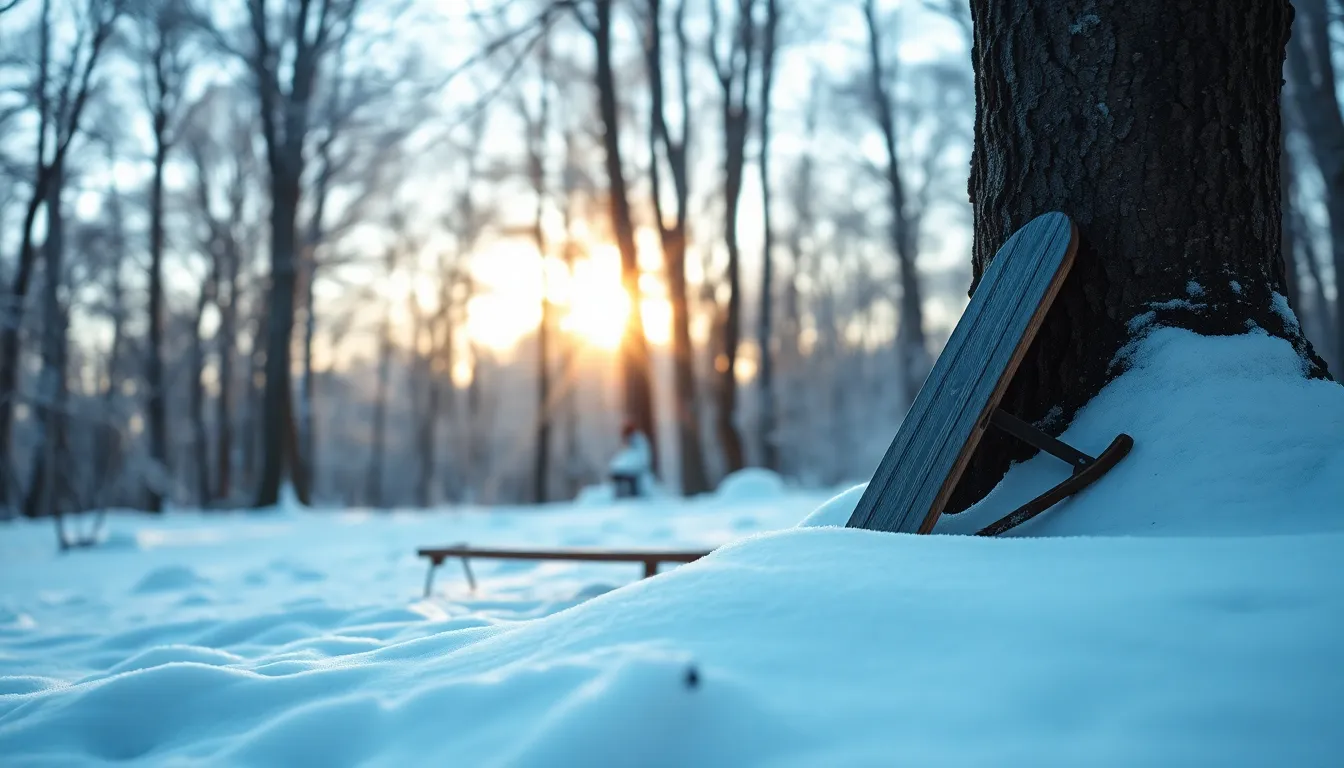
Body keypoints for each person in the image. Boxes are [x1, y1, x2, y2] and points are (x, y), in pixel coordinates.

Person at [608, 421, 651, 498]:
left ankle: (628, 492)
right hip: (635, 463)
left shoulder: (637, 440)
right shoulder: (638, 439)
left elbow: (639, 455)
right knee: (616, 466)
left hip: (637, 464)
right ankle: (624, 491)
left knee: (618, 469)